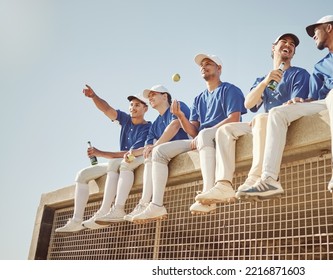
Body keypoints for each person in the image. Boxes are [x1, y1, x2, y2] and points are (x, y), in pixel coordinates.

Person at [236, 15, 333, 200]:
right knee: (277, 113)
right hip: (328, 103)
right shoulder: (319, 66)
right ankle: (270, 179)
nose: (313, 36)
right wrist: (300, 102)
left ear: (328, 28)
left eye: (315, 31)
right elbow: (316, 99)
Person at [193, 33, 310, 205]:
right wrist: (266, 81)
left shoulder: (299, 74)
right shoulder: (262, 79)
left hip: (282, 123)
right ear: (274, 47)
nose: (288, 45)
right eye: (283, 42)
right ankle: (224, 184)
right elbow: (249, 104)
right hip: (262, 123)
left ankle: (253, 178)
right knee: (226, 130)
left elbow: (294, 105)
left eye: (292, 44)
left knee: (262, 118)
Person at [131, 53, 246, 222]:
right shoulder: (198, 98)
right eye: (201, 65)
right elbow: (193, 131)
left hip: (225, 133)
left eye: (208, 64)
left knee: (205, 134)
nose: (203, 67)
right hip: (203, 139)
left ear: (219, 69)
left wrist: (202, 135)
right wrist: (180, 116)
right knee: (159, 152)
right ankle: (156, 205)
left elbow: (234, 119)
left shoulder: (230, 89)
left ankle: (208, 192)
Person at [55, 85, 151, 233]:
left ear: (146, 109)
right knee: (82, 175)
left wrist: (100, 153)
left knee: (113, 161)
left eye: (137, 105)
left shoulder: (147, 128)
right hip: (117, 162)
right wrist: (94, 96)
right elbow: (106, 109)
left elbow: (128, 154)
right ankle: (76, 221)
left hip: (130, 162)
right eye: (131, 105)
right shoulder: (125, 120)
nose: (133, 108)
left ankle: (103, 213)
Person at [93, 85, 191, 225]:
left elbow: (174, 126)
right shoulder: (155, 124)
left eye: (153, 94)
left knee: (155, 151)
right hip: (164, 155)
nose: (150, 97)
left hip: (187, 146)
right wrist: (131, 154)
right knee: (136, 160)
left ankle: (151, 204)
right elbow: (147, 147)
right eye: (149, 96)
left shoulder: (177, 105)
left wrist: (155, 146)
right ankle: (138, 205)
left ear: (164, 96)